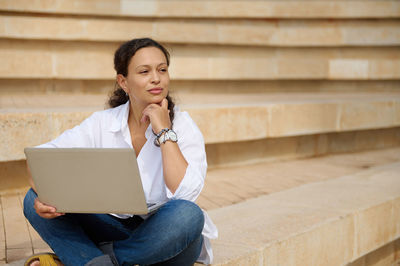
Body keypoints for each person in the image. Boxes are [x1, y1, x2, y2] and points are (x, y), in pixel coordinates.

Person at [23, 38, 218, 266]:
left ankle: (91, 260)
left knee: (188, 215)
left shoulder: (183, 125)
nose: (156, 78)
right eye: (144, 71)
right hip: (112, 227)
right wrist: (44, 198)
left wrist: (164, 131)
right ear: (123, 82)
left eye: (162, 70)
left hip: (164, 236)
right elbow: (42, 160)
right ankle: (104, 261)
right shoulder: (102, 123)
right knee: (32, 199)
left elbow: (186, 193)